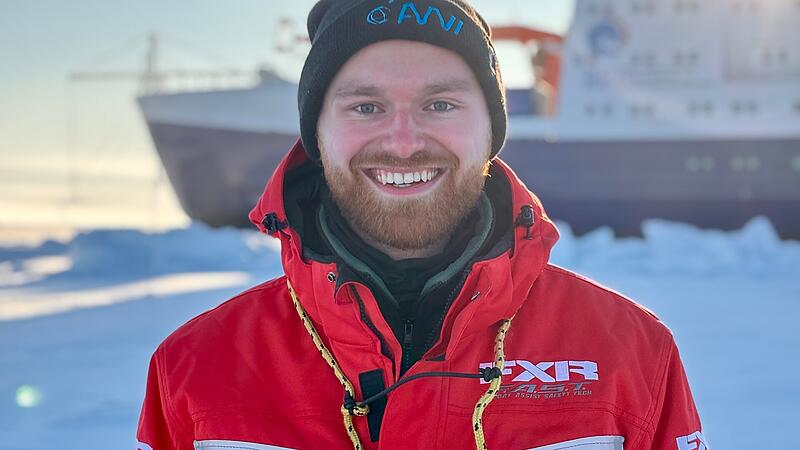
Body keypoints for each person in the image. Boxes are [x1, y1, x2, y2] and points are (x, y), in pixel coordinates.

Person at [137, 1, 707, 449]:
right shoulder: (192, 368)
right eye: (365, 106)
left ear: (491, 131)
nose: (404, 143)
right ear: (316, 136)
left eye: (441, 104)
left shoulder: (630, 354)